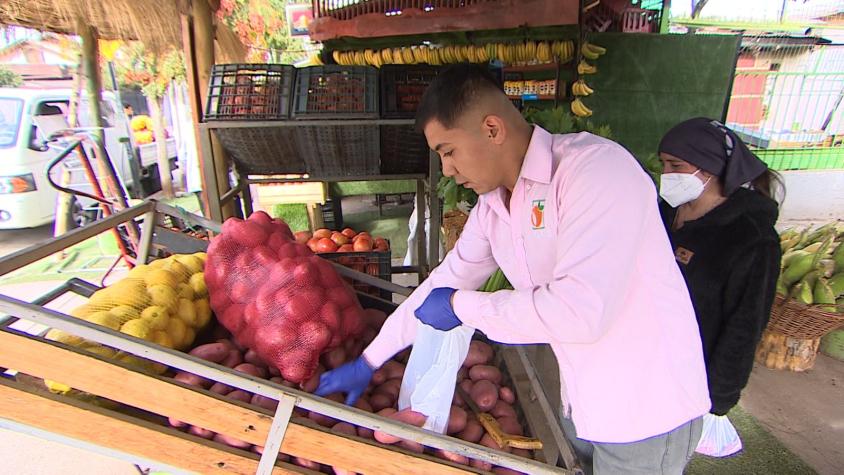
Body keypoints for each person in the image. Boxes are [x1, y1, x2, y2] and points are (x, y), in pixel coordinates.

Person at [316, 64, 711, 473]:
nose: (447, 169)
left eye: (448, 152)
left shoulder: (594, 172)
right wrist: (369, 360)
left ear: (491, 129)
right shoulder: (494, 207)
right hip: (584, 399)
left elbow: (579, 312)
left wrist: (463, 308)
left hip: (646, 409)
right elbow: (441, 285)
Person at [657, 118, 782, 418]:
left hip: (690, 379)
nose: (666, 175)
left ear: (709, 169)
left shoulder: (751, 238)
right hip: (646, 359)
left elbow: (745, 325)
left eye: (676, 167)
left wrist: (718, 397)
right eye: (662, 165)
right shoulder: (662, 212)